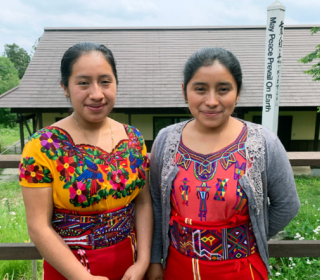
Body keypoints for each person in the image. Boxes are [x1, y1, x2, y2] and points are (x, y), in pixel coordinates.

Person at [147, 47, 300, 280]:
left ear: (237, 93)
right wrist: (155, 259)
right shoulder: (166, 140)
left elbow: (287, 205)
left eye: (223, 89)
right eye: (200, 89)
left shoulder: (262, 142)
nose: (211, 101)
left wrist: (246, 236)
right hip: (178, 267)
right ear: (184, 91)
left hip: (240, 269)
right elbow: (158, 204)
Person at [19, 42, 152, 280]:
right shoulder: (42, 146)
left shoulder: (133, 138)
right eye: (83, 83)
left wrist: (142, 261)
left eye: (105, 81)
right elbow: (38, 227)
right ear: (65, 87)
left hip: (129, 264)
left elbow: (142, 204)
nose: (97, 94)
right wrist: (82, 277)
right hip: (70, 268)